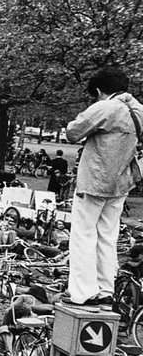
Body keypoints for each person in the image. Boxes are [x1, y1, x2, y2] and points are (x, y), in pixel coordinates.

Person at [63, 68, 143, 306]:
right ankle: (106, 289)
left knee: (83, 236)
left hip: (95, 181)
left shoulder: (105, 107)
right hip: (121, 183)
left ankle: (82, 292)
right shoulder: (139, 109)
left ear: (99, 90)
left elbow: (72, 132)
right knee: (107, 236)